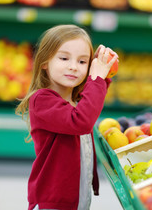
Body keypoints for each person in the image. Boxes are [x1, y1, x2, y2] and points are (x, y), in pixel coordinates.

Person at [15, 24, 118, 210]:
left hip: (77, 196)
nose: (73, 67)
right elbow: (81, 121)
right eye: (64, 58)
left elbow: (89, 105)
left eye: (82, 62)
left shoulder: (75, 101)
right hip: (54, 201)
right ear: (44, 62)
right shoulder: (42, 100)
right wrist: (97, 79)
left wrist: (104, 72)